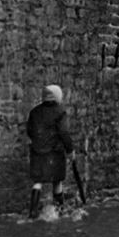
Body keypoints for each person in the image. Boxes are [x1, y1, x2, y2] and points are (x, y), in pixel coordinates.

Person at [27, 84, 75, 218]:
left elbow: (30, 131)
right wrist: (70, 149)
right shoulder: (60, 112)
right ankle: (59, 211)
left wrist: (39, 142)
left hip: (37, 151)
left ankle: (33, 212)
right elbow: (64, 132)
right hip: (54, 152)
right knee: (57, 181)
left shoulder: (34, 112)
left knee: (37, 181)